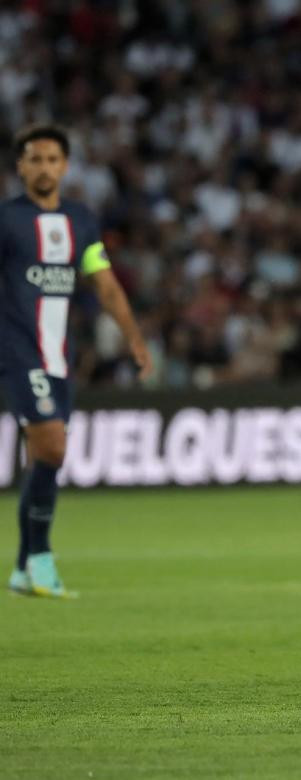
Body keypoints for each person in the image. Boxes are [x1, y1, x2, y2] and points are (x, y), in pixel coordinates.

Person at [2, 124, 152, 598]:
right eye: (35, 159)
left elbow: (103, 282)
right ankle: (42, 558)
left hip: (57, 355)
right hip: (18, 349)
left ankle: (25, 568)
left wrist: (133, 336)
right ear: (20, 166)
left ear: (64, 166)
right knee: (51, 448)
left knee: (45, 458)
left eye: (52, 159)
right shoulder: (6, 220)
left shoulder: (80, 220)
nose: (44, 167)